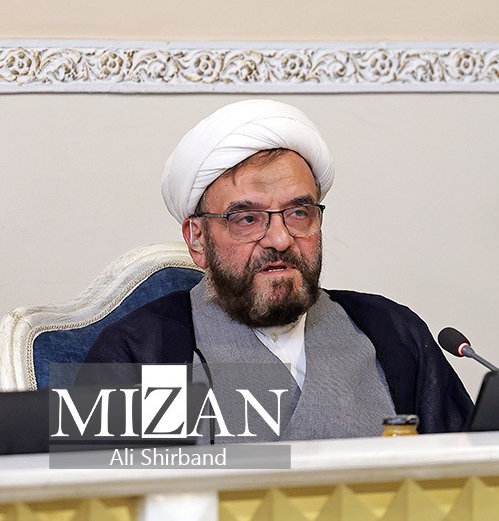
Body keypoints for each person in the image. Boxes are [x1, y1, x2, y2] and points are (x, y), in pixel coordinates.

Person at [85, 99, 473, 440]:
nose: (280, 238)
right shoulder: (137, 353)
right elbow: (97, 495)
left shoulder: (391, 332)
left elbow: (467, 473)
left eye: (299, 213)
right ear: (197, 239)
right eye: (247, 219)